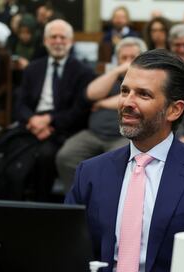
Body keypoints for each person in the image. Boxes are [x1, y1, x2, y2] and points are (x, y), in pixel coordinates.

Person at [65, 49, 184, 272]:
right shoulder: (90, 173)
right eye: (124, 91)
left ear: (174, 110)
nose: (127, 103)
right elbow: (67, 253)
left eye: (143, 94)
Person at [1, 19, 94, 201]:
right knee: (8, 147)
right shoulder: (33, 68)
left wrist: (49, 121)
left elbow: (78, 111)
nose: (58, 41)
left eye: (63, 37)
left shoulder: (82, 72)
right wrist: (33, 121)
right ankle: (11, 205)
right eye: (53, 37)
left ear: (71, 41)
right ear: (45, 41)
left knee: (45, 156)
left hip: (61, 130)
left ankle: (41, 204)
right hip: (31, 125)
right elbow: (20, 103)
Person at [56, 37, 147, 193]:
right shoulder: (111, 78)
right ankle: (77, 199)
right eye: (123, 58)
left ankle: (107, 205)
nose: (128, 62)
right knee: (66, 156)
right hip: (94, 134)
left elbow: (133, 101)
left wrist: (102, 103)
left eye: (133, 58)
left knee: (115, 164)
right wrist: (117, 70)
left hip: (124, 137)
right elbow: (90, 93)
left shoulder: (146, 81)